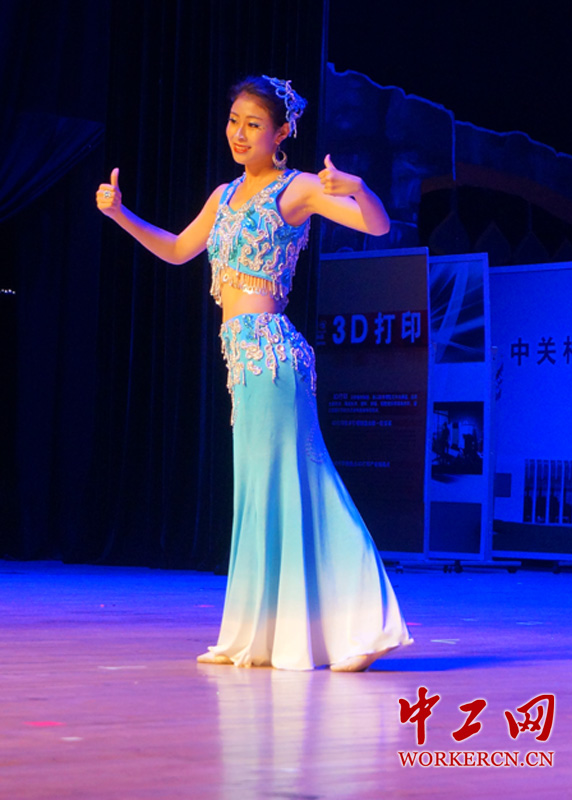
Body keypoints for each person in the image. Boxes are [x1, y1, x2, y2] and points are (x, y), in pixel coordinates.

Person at [96, 74, 412, 671]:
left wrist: (360, 188)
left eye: (254, 124)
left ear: (282, 131)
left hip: (271, 356)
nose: (239, 134)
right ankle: (257, 636)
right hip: (241, 361)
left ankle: (362, 628)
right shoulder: (224, 196)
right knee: (259, 496)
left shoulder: (297, 189)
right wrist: (120, 215)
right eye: (234, 121)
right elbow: (177, 250)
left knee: (294, 489)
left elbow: (375, 226)